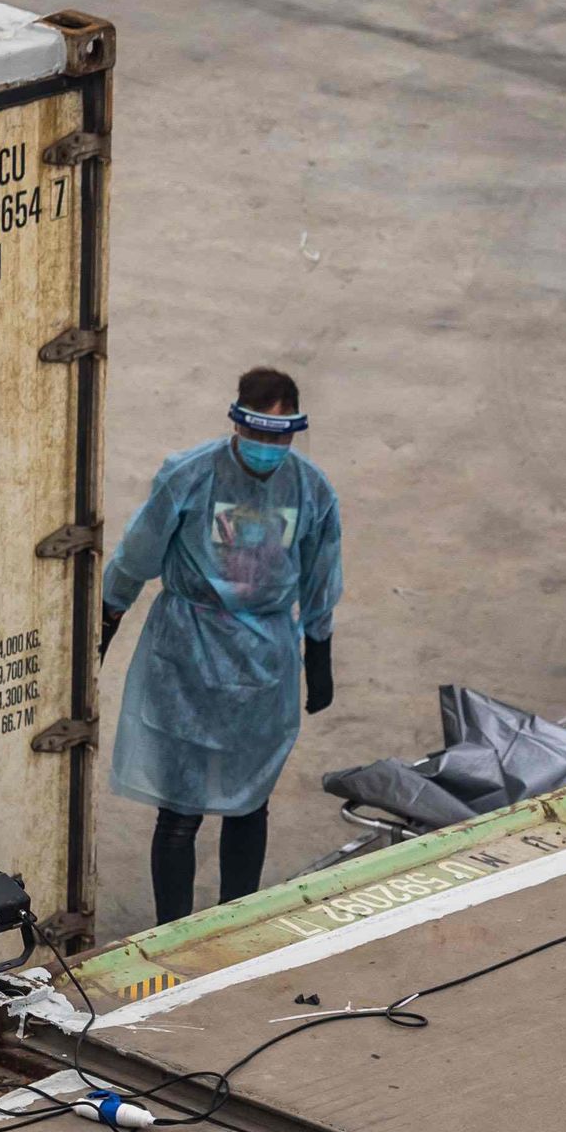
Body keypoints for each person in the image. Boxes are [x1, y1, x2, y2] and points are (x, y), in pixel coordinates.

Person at [100, 366, 344, 923]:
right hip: (185, 655)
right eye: (258, 434)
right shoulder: (188, 475)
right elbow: (137, 553)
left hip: (263, 665)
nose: (267, 448)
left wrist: (319, 652)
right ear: (237, 423)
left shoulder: (311, 490)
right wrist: (108, 620)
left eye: (280, 436)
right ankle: (174, 929)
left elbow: (321, 575)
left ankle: (236, 921)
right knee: (180, 810)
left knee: (248, 801)